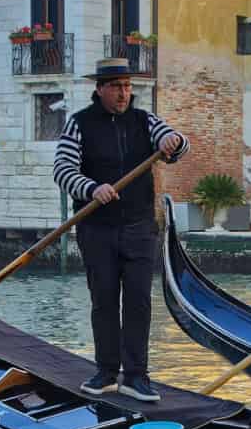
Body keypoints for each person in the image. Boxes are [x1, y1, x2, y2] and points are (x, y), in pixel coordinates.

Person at [52, 57, 188, 403]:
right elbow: (63, 170)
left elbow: (173, 142)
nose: (123, 93)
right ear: (100, 90)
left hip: (140, 226)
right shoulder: (79, 124)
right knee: (105, 300)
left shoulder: (144, 120)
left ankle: (137, 376)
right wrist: (91, 188)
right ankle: (107, 372)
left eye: (127, 86)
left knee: (139, 301)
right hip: (96, 227)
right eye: (116, 87)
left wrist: (174, 141)